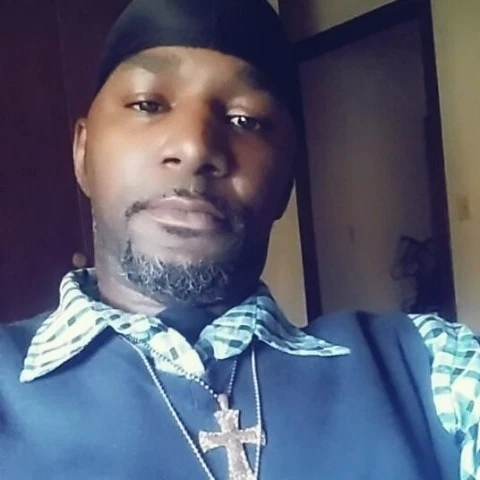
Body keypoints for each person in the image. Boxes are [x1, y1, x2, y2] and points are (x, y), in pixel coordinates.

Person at [1, 0, 479, 479]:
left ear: (286, 182)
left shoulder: (432, 366)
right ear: (83, 152)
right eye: (148, 104)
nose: (194, 147)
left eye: (245, 120)